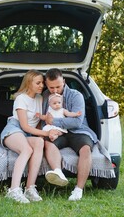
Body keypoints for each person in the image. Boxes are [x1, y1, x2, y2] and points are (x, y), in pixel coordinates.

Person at [0, 69, 60, 204]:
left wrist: (47, 134)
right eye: (38, 83)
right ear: (28, 83)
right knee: (27, 150)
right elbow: (25, 126)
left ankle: (30, 188)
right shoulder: (21, 98)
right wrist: (47, 133)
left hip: (27, 133)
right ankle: (14, 190)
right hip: (14, 129)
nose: (41, 86)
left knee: (39, 143)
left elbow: (37, 124)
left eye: (42, 83)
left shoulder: (40, 98)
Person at [42, 68, 98, 201]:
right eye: (51, 87)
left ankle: (78, 190)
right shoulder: (45, 96)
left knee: (85, 149)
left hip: (78, 131)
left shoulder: (76, 95)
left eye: (58, 86)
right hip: (56, 131)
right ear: (46, 84)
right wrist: (48, 129)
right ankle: (58, 172)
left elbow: (77, 122)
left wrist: (54, 121)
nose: (55, 90)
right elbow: (44, 118)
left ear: (64, 82)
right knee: (47, 143)